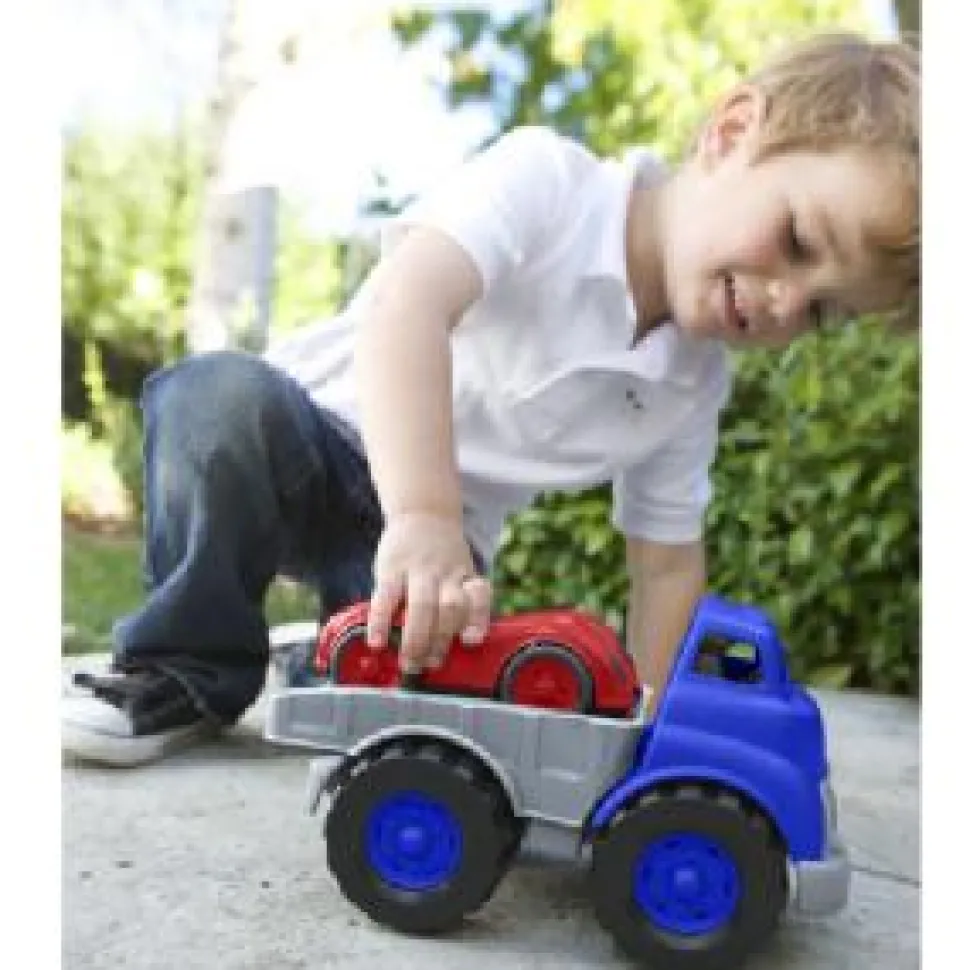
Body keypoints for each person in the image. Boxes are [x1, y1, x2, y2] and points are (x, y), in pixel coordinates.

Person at [62, 31, 919, 767]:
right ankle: (181, 669)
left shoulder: (692, 384)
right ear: (732, 134)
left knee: (422, 716)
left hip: (437, 551)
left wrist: (650, 724)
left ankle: (325, 657)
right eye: (799, 240)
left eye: (823, 312)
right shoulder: (549, 181)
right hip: (310, 437)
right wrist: (425, 515)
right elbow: (410, 307)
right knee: (214, 402)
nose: (785, 303)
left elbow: (663, 563)